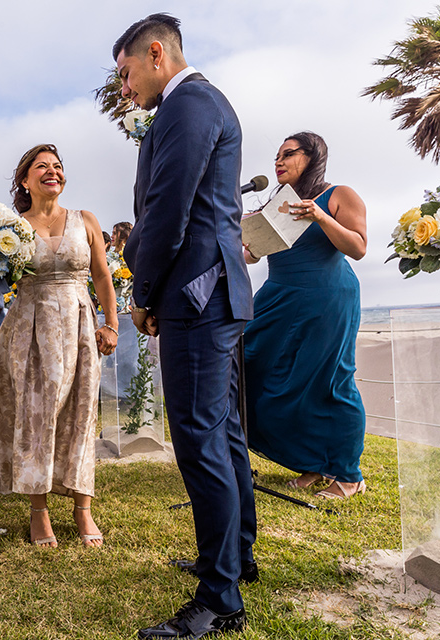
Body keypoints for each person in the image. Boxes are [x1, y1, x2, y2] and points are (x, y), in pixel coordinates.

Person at [114, 14, 256, 638]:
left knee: (200, 437)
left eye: (124, 73)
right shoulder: (194, 104)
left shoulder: (187, 105)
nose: (123, 88)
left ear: (155, 54)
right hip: (213, 293)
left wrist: (142, 294)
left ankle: (220, 598)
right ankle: (232, 559)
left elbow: (167, 212)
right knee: (221, 433)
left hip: (195, 296)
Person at [0, 143, 118, 549]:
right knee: (36, 416)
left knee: (80, 413)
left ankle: (83, 507)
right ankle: (38, 511)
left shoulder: (86, 220)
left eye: (57, 166)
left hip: (79, 325)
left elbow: (102, 278)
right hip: (30, 327)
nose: (52, 172)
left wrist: (110, 324)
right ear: (25, 180)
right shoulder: (11, 227)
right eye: (42, 167)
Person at [243, 132, 368, 500]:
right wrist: (246, 241)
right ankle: (312, 462)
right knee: (249, 367)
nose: (278, 162)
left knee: (330, 381)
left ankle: (347, 474)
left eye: (287, 154)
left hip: (327, 297)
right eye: (276, 157)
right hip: (278, 296)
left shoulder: (339, 195)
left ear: (312, 156)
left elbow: (359, 247)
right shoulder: (276, 203)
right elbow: (254, 257)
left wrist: (320, 216)